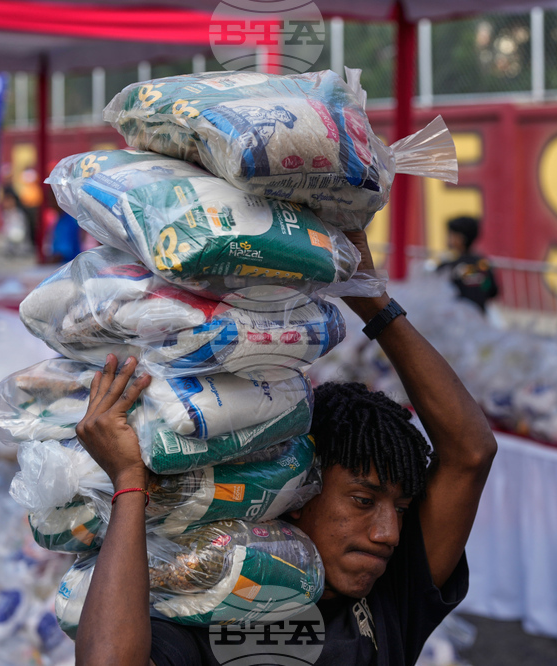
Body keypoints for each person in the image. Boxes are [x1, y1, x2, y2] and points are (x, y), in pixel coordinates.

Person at [70, 231, 498, 665]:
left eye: (401, 509)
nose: (387, 533)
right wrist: (128, 483)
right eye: (363, 500)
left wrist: (371, 300)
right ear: (298, 486)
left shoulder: (389, 598)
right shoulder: (209, 605)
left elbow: (471, 454)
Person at [435, 216, 499, 314]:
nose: (448, 238)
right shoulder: (483, 264)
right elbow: (492, 291)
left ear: (460, 238)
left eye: (451, 234)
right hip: (480, 317)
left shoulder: (448, 266)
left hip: (457, 320)